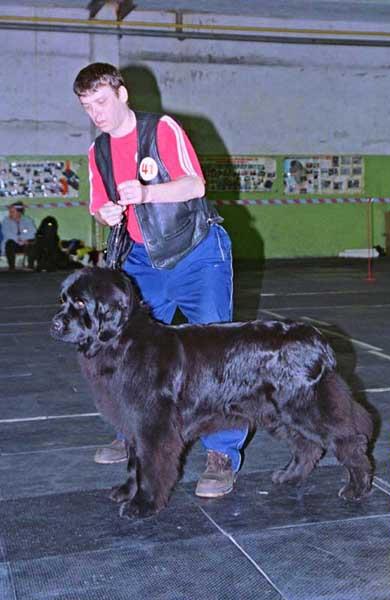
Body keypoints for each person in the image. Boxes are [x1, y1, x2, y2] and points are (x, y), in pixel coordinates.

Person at [73, 62, 247, 498]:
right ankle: (131, 431)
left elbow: (195, 184)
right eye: (87, 106)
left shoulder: (162, 130)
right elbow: (98, 202)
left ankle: (222, 453)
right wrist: (106, 212)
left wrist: (147, 192)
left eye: (102, 102)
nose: (96, 113)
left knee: (215, 355)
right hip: (142, 261)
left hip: (195, 254)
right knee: (126, 351)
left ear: (122, 94)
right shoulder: (98, 152)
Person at [1, 202, 36, 271]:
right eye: (10, 212)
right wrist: (18, 240)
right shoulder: (6, 221)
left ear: (19, 213)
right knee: (9, 243)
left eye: (12, 212)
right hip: (13, 244)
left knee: (32, 242)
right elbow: (7, 233)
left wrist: (24, 240)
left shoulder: (28, 220)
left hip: (25, 243)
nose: (10, 214)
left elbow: (33, 232)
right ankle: (12, 267)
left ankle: (30, 266)